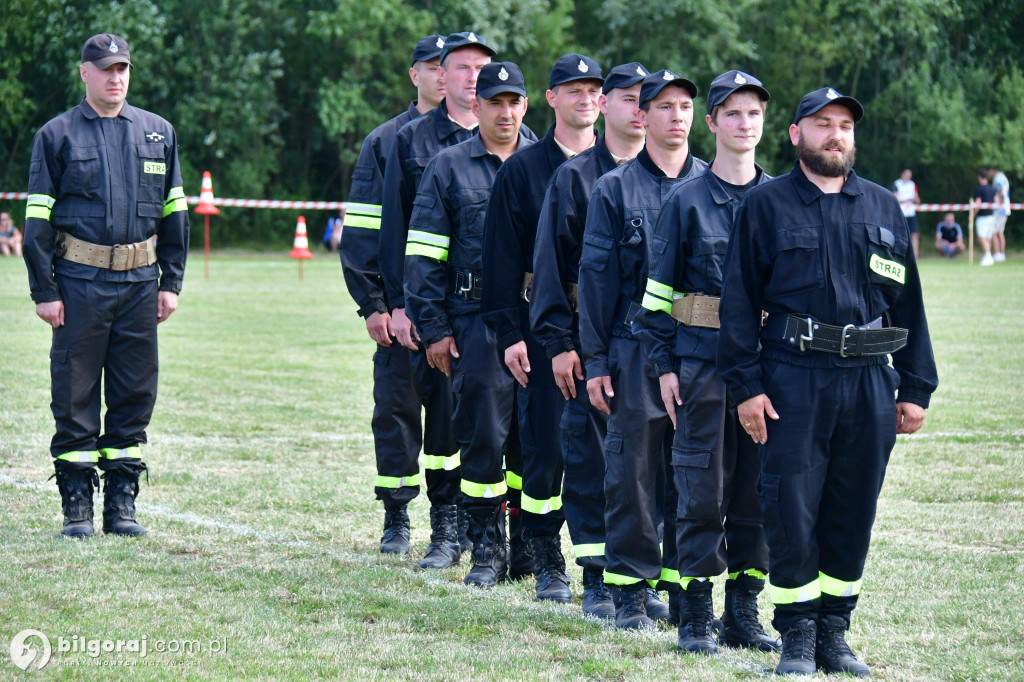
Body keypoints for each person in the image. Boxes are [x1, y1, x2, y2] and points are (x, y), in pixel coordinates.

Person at [717, 87, 938, 676]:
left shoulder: (884, 207)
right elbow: (738, 304)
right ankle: (797, 634)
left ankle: (836, 632)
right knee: (789, 508)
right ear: (796, 135)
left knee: (852, 508)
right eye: (821, 124)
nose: (835, 134)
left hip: (868, 380)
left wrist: (916, 387)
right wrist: (746, 387)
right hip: (792, 378)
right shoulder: (766, 206)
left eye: (843, 125)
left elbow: (908, 302)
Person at [380, 31, 539, 576]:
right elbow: (422, 254)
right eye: (493, 102)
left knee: (529, 439)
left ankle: (528, 549)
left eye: (512, 102)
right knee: (483, 436)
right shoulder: (448, 166)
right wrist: (435, 327)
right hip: (472, 323)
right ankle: (486, 547)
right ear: (477, 105)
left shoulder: (544, 164)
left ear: (525, 105)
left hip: (531, 321)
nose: (503, 112)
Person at [634, 69, 778, 655]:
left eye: (754, 114)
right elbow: (656, 298)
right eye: (733, 113)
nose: (744, 124)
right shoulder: (686, 201)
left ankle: (743, 611)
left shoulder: (780, 200)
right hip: (700, 366)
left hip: (768, 372)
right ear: (712, 122)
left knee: (759, 492)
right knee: (698, 489)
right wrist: (665, 366)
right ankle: (694, 612)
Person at [23, 33, 189, 538]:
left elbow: (174, 213)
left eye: (122, 69)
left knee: (134, 393)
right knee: (74, 392)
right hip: (78, 283)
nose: (116, 78)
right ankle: (77, 507)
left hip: (141, 282)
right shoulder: (56, 135)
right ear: (85, 74)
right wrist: (44, 291)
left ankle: (121, 505)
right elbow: (36, 223)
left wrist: (171, 282)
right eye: (105, 69)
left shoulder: (158, 133)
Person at [578, 69, 707, 630]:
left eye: (685, 106)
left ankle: (683, 590)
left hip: (701, 352)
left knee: (697, 477)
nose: (676, 115)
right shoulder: (614, 189)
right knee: (631, 473)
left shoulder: (717, 185)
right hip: (631, 351)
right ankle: (629, 590)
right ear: (644, 116)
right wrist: (597, 362)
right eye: (664, 106)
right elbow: (596, 282)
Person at [481, 53, 603, 604]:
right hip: (541, 325)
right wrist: (510, 335)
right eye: (570, 90)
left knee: (610, 451)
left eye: (592, 91)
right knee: (543, 447)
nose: (583, 100)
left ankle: (606, 560)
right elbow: (501, 261)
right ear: (550, 99)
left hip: (607, 330)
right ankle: (547, 558)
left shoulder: (620, 168)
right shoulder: (523, 170)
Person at [338, 34, 462, 567]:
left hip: (461, 313)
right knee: (395, 413)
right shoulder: (387, 142)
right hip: (400, 312)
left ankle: (451, 519)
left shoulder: (491, 136)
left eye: (447, 67)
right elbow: (364, 229)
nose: (441, 76)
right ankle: (396, 514)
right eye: (431, 67)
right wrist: (375, 305)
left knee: (454, 420)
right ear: (415, 75)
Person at [530, 62, 648, 620]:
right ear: (607, 107)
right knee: (590, 459)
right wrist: (559, 343)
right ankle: (598, 576)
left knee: (652, 468)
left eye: (651, 98)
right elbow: (550, 268)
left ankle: (645, 576)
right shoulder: (574, 177)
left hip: (656, 348)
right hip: (587, 342)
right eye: (628, 98)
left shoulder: (683, 177)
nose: (641, 108)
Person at [892, 168, 920, 257]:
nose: (909, 176)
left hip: (911, 213)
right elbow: (896, 199)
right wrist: (908, 199)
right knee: (899, 234)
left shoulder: (912, 184)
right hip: (901, 213)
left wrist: (905, 200)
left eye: (910, 174)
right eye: (908, 174)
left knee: (914, 234)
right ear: (903, 174)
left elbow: (917, 199)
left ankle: (915, 255)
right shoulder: (897, 184)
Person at [972, 169, 998, 266]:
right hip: (991, 216)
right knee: (988, 237)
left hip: (983, 217)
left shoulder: (979, 189)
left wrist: (973, 214)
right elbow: (996, 201)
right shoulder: (992, 188)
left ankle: (988, 255)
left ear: (980, 177)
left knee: (981, 237)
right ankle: (988, 255)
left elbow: (978, 204)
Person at [990, 166, 1010, 262]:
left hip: (999, 209)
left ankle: (998, 254)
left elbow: (1000, 189)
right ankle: (1002, 254)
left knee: (993, 231)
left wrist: (998, 199)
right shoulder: (1003, 177)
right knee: (1000, 232)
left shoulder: (997, 178)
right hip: (1005, 208)